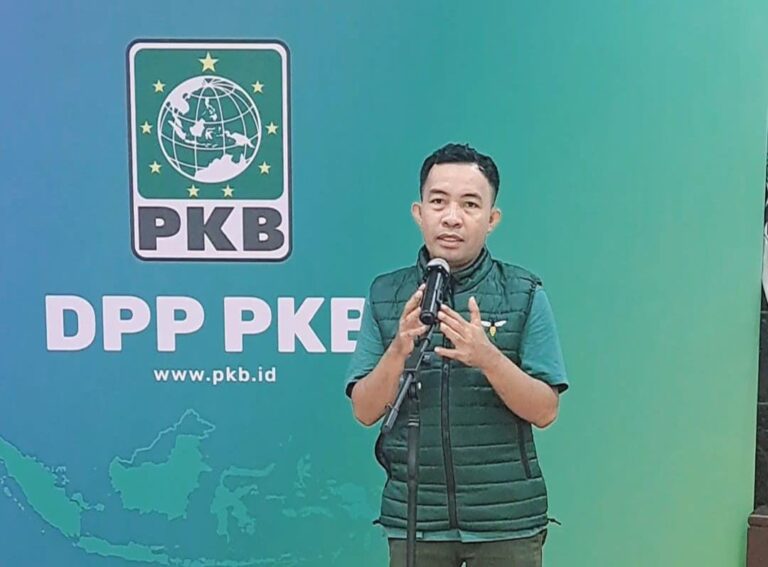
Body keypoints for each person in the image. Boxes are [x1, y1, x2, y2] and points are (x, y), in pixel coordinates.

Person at [345, 143, 569, 567]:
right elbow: (364, 410)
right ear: (419, 213)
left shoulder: (524, 293)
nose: (451, 217)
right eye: (438, 202)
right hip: (416, 520)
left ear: (491, 219)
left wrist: (488, 358)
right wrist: (399, 348)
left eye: (469, 204)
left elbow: (545, 410)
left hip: (506, 521)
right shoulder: (386, 294)